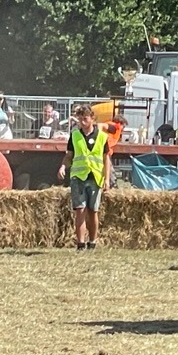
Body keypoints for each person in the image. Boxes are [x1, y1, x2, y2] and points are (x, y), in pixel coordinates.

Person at [58, 104, 112, 251]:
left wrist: (107, 179)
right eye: (80, 119)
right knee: (79, 210)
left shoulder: (102, 137)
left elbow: (106, 158)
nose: (82, 122)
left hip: (95, 177)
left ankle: (92, 242)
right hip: (78, 178)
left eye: (85, 119)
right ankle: (80, 244)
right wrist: (63, 166)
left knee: (92, 211)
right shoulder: (74, 136)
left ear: (92, 119)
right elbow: (69, 156)